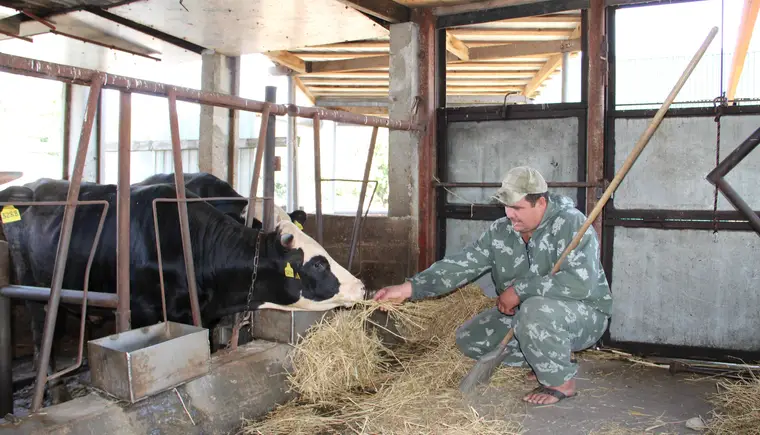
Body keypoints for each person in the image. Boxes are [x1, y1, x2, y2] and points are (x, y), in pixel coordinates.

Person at [373, 166, 613, 405]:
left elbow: (580, 284)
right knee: (469, 338)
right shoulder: (501, 231)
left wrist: (520, 291)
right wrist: (409, 289)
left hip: (584, 314)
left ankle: (560, 381)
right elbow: (461, 265)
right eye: (506, 207)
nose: (510, 214)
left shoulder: (572, 224)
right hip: (529, 315)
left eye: (517, 208)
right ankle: (546, 357)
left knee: (535, 311)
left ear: (540, 203)